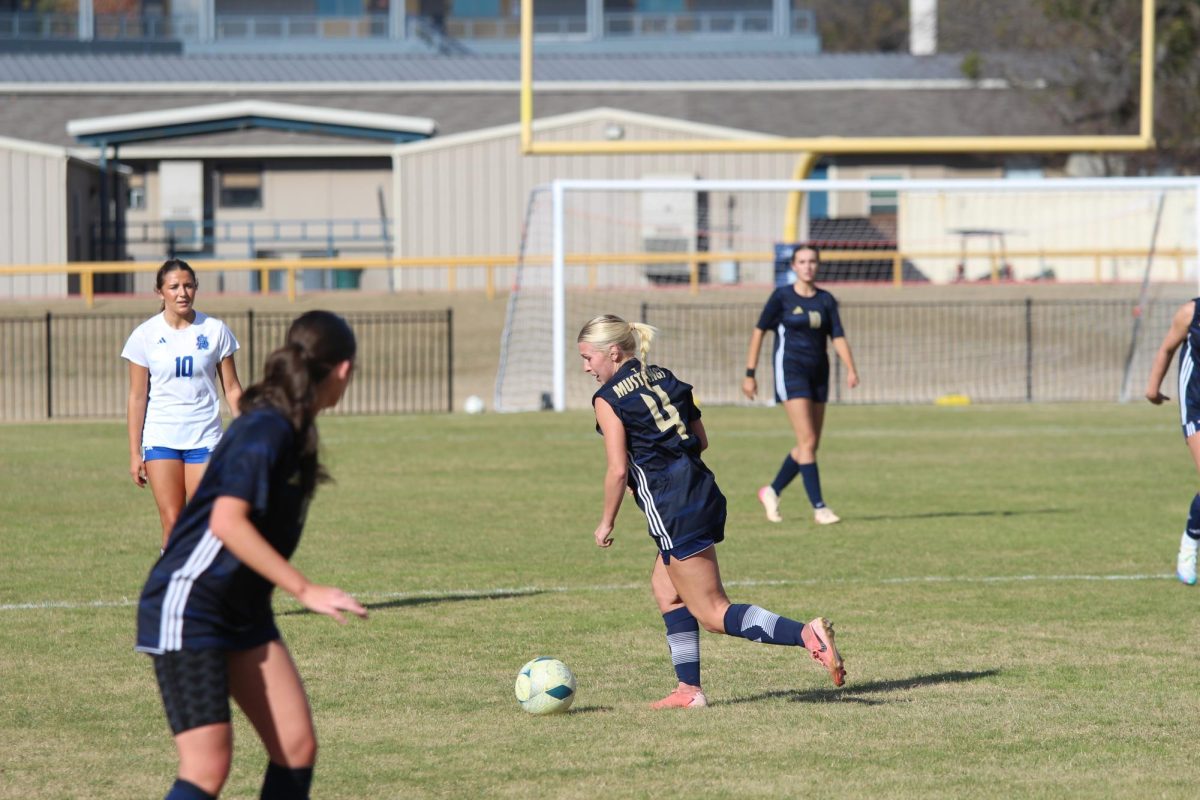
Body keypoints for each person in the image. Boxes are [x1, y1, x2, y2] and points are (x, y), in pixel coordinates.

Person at [135, 310, 367, 800]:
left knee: (296, 746)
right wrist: (305, 590)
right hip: (191, 604)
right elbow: (225, 521)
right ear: (344, 370)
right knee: (207, 766)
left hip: (242, 607)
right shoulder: (267, 428)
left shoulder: (294, 427)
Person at [579, 314, 845, 709]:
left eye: (588, 358)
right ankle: (689, 691)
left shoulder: (608, 398)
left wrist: (606, 522)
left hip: (673, 506)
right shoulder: (665, 375)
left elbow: (618, 470)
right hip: (702, 491)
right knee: (666, 591)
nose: (586, 367)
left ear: (613, 353)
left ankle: (807, 634)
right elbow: (701, 439)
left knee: (713, 612)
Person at [122, 259, 243, 551]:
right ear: (160, 292)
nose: (182, 292)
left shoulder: (215, 330)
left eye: (188, 285)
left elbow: (232, 388)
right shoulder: (145, 336)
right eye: (174, 286)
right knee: (173, 522)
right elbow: (138, 397)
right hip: (162, 438)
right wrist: (134, 452)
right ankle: (172, 592)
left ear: (196, 288)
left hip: (205, 437)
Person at [742, 245, 859, 525]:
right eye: (802, 261)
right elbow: (759, 332)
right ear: (793, 266)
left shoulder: (826, 300)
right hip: (791, 372)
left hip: (820, 373)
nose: (808, 266)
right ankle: (820, 508)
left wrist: (852, 369)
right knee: (806, 441)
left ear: (818, 265)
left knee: (810, 444)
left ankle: (771, 491)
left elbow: (838, 336)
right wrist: (750, 372)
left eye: (812, 261)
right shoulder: (781, 297)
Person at [1146, 298, 1200, 585]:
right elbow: (1167, 348)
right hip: (1197, 406)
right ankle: (1191, 541)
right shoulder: (1191, 313)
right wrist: (1153, 388)